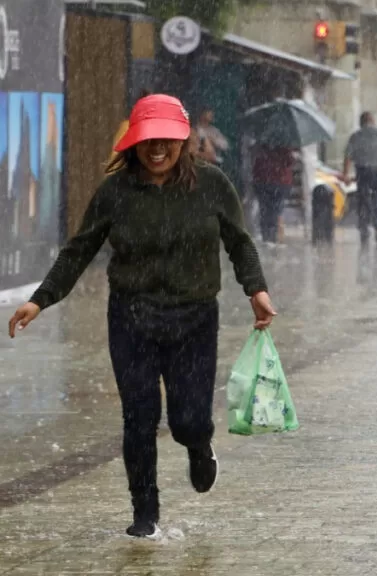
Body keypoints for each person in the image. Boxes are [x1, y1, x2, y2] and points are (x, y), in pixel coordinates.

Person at [7, 94, 277, 539]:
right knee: (139, 416)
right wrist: (41, 298)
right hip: (132, 318)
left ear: (184, 141)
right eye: (148, 140)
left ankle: (198, 447)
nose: (157, 148)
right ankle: (144, 512)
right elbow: (79, 249)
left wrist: (257, 290)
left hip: (194, 319)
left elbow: (240, 242)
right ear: (133, 142)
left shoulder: (211, 184)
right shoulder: (115, 192)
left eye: (167, 140)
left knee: (189, 418)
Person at [344, 112, 377, 245]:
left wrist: (345, 174)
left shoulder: (356, 136)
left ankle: (364, 228)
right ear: (372, 121)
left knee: (363, 199)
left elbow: (348, 156)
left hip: (363, 171)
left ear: (361, 123)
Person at [251, 143, 295, 243]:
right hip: (279, 182)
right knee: (274, 211)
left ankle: (266, 237)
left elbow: (255, 160)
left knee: (264, 211)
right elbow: (289, 162)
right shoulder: (285, 142)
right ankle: (272, 237)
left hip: (263, 181)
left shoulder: (261, 142)